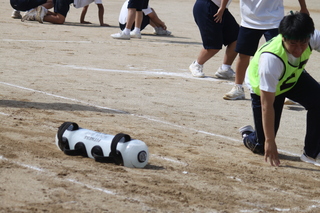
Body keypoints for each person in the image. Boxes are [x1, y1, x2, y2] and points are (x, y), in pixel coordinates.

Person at [239, 12, 320, 167]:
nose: (298, 50)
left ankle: (311, 153)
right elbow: (266, 105)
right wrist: (270, 141)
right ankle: (248, 135)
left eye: (303, 43)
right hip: (266, 87)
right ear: (283, 37)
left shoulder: (309, 36)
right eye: (293, 44)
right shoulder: (271, 60)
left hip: (291, 77)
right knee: (262, 146)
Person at [223, 0, 309, 100]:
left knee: (285, 54)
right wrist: (222, 8)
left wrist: (303, 7)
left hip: (274, 20)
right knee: (243, 55)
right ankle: (238, 87)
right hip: (249, 20)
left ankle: (286, 91)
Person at [189, 0, 239, 78]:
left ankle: (225, 69)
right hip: (209, 6)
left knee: (237, 38)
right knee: (213, 46)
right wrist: (222, 8)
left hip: (220, 8)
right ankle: (196, 65)